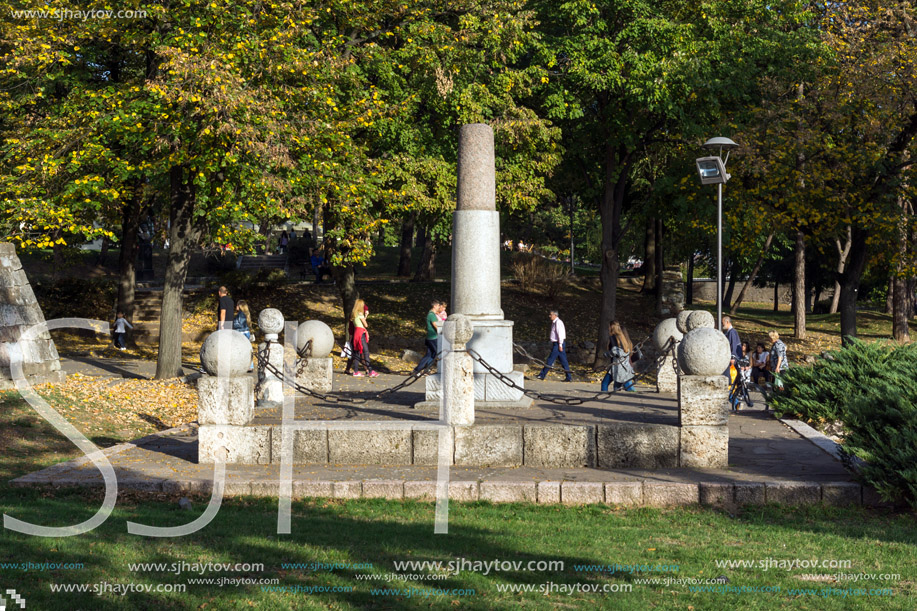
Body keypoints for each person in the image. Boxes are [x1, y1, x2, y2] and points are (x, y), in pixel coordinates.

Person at [536, 310, 572, 382]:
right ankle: (568, 377)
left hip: (558, 344)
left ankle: (542, 375)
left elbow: (560, 334)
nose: (550, 316)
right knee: (563, 361)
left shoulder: (558, 323)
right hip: (557, 343)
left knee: (550, 359)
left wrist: (560, 345)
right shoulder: (554, 323)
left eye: (551, 314)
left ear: (555, 315)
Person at [601, 321, 634, 391]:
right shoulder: (623, 337)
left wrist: (606, 354)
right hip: (625, 366)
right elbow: (625, 351)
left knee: (604, 383)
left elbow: (614, 351)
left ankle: (602, 397)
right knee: (620, 386)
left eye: (609, 327)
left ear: (611, 327)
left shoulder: (613, 337)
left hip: (617, 366)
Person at [413, 299, 443, 374]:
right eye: (439, 306)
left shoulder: (431, 314)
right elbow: (435, 325)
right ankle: (420, 369)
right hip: (433, 337)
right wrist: (442, 332)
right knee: (436, 353)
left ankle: (422, 369)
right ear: (435, 306)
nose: (439, 307)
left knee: (430, 354)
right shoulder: (431, 315)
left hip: (430, 338)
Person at [350, 299, 378, 377]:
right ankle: (370, 371)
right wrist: (366, 316)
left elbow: (359, 323)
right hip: (360, 333)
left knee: (357, 353)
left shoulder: (353, 314)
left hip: (356, 333)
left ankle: (355, 371)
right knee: (366, 352)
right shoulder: (360, 313)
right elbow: (365, 325)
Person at [233, 300, 254, 372]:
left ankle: (247, 366)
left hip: (242, 333)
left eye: (237, 305)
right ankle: (250, 365)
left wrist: (233, 324)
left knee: (241, 349)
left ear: (240, 306)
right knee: (248, 349)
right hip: (245, 332)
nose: (236, 307)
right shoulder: (244, 314)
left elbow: (241, 324)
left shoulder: (241, 314)